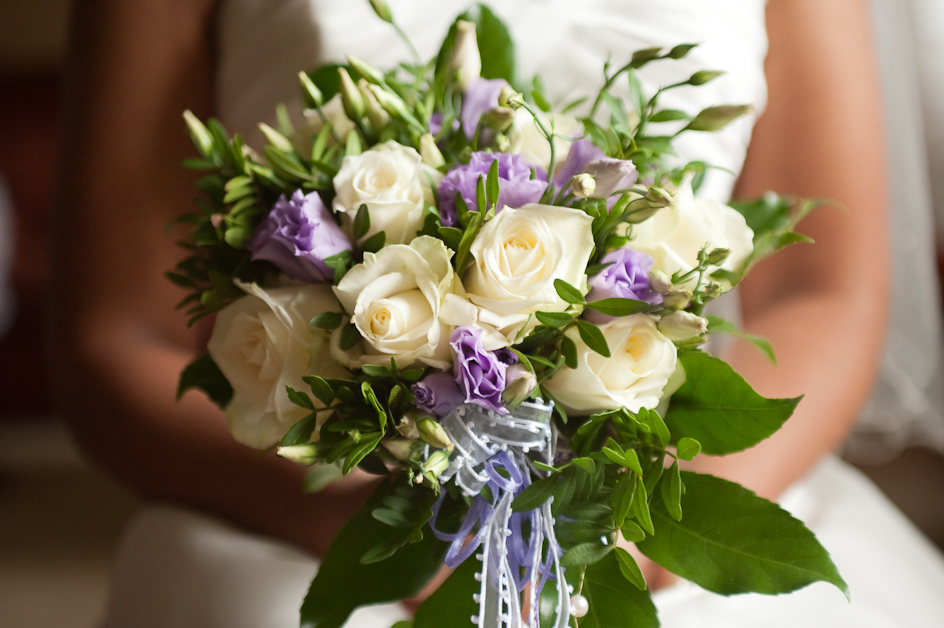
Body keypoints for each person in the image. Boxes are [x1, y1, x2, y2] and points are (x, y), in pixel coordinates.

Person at [49, 0, 944, 626]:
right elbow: (115, 335)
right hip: (311, 503)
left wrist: (632, 522)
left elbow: (823, 293)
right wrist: (373, 528)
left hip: (670, 480)